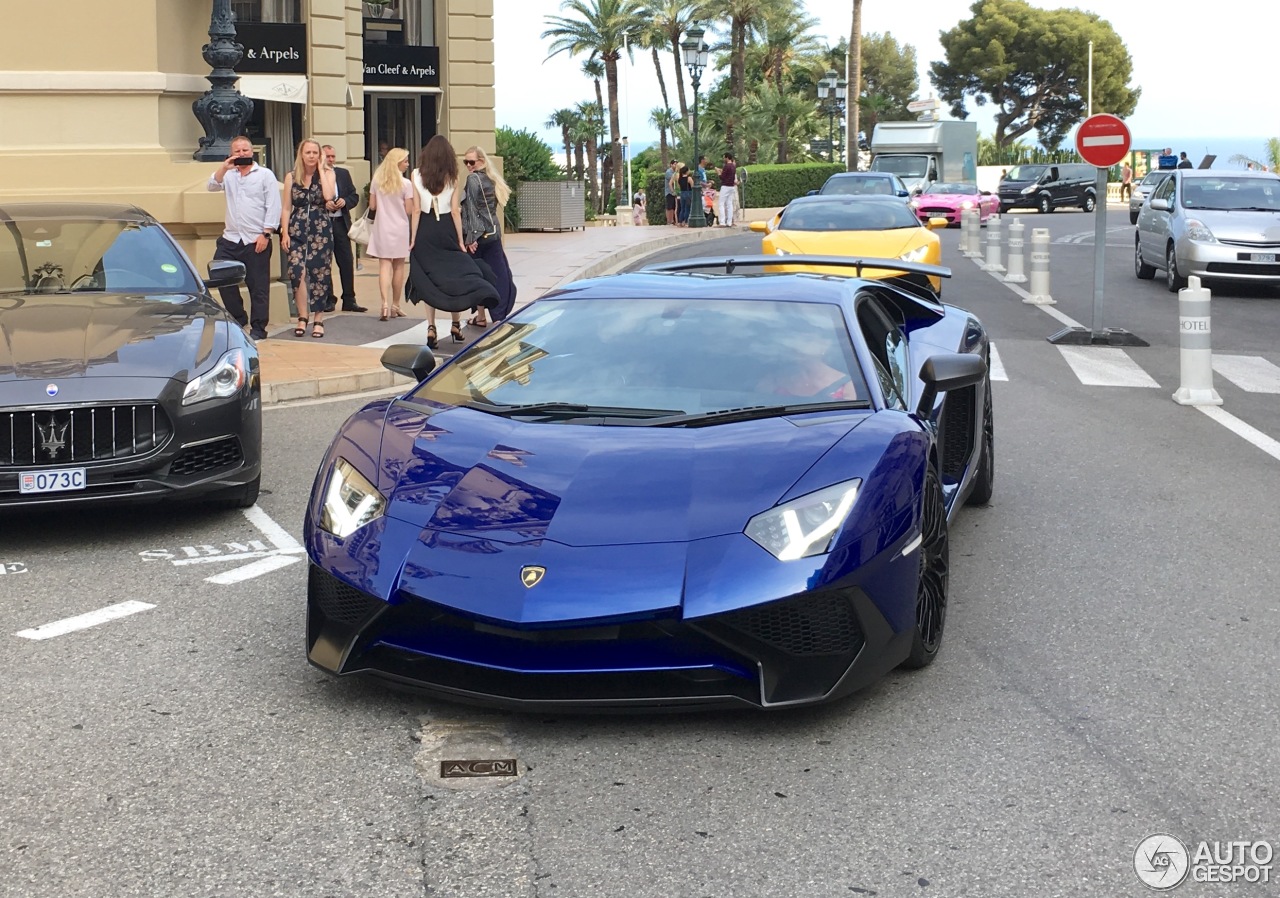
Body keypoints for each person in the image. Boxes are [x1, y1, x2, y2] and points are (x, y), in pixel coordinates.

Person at [407, 135, 499, 349]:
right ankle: (455, 324)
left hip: (426, 229)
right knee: (454, 275)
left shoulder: (416, 175)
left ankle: (431, 327)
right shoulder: (453, 176)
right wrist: (460, 240)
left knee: (429, 278)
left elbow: (417, 210)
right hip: (447, 227)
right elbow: (456, 212)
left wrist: (412, 239)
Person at [206, 135, 281, 341]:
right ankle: (238, 318)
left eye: (245, 150)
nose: (242, 154)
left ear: (252, 151)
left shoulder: (265, 175)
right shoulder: (228, 175)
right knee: (221, 278)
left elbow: (273, 206)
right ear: (231, 154)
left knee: (258, 286)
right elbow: (211, 186)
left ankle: (258, 328)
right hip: (231, 238)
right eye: (237, 151)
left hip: (256, 239)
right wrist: (224, 167)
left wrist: (266, 233)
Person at [281, 137, 337, 339]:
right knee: (298, 272)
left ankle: (318, 317)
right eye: (308, 153)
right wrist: (285, 232)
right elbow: (287, 207)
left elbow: (329, 196)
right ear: (301, 155)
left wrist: (322, 170)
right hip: (297, 228)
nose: (312, 156)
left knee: (319, 273)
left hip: (320, 229)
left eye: (315, 153)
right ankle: (302, 316)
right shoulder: (292, 176)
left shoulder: (329, 174)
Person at [461, 144, 517, 324]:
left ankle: (483, 316)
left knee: (478, 277)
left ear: (481, 162)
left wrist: (470, 238)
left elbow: (471, 210)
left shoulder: (473, 180)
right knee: (498, 274)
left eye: (471, 162)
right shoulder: (492, 179)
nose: (468, 166)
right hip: (493, 233)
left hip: (478, 236)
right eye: (465, 162)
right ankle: (495, 315)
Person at [365, 147, 417, 321]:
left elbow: (372, 206)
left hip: (382, 226)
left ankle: (384, 303)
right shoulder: (406, 184)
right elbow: (409, 210)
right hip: (400, 227)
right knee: (399, 266)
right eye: (405, 161)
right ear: (398, 163)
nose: (407, 164)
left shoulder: (377, 181)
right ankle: (396, 304)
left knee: (384, 265)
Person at [321, 144, 367, 313]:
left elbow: (354, 196)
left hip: (341, 222)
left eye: (333, 156)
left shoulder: (343, 174)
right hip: (323, 224)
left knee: (346, 262)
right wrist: (325, 204)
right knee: (325, 263)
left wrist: (345, 202)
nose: (331, 160)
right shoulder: (317, 175)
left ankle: (349, 299)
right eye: (328, 156)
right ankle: (328, 299)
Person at [718, 152, 738, 227]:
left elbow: (722, 177)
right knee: (729, 204)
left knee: (721, 203)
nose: (724, 159)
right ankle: (729, 222)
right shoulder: (733, 166)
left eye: (724, 157)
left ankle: (722, 222)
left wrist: (718, 173)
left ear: (727, 158)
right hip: (731, 186)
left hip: (725, 186)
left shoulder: (727, 166)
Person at [664, 160, 678, 226]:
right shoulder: (668, 172)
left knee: (673, 207)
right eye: (674, 164)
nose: (675, 165)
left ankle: (673, 220)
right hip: (669, 192)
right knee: (669, 207)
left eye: (676, 164)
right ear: (671, 165)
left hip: (674, 192)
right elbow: (673, 180)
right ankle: (669, 221)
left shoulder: (676, 172)